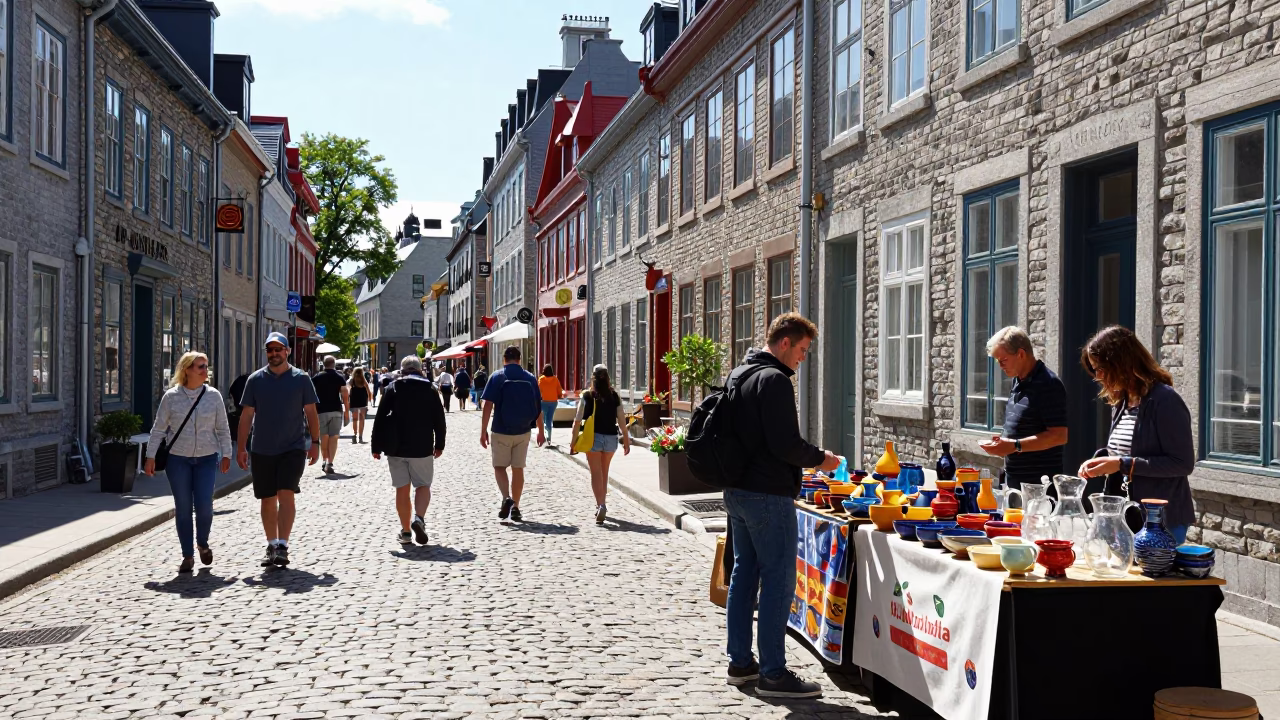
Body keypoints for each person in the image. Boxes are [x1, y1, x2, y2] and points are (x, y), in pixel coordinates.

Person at [723, 313, 842, 698]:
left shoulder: (740, 373)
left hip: (737, 491)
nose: (803, 358)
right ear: (785, 343)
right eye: (803, 350)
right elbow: (784, 444)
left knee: (744, 575)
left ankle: (740, 662)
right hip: (767, 495)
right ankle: (774, 673)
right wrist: (821, 458)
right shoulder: (774, 380)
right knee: (777, 582)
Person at [1077, 325, 1195, 543]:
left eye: (1101, 368)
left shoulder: (1165, 400)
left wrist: (1122, 464)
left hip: (1160, 521)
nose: (1098, 376)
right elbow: (1126, 452)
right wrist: (1103, 459)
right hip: (1127, 517)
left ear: (1123, 362)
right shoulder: (1122, 402)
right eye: (1094, 370)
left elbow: (1182, 463)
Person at [236, 332, 321, 568]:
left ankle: (283, 545)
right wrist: (241, 447)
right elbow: (246, 416)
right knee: (267, 499)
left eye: (278, 349)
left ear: (287, 351)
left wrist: (315, 443)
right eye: (270, 350)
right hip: (262, 448)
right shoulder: (255, 380)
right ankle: (271, 544)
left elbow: (311, 413)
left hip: (292, 448)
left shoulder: (301, 378)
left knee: (286, 493)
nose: (274, 354)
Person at [145, 352, 233, 573]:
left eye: (206, 366)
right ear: (187, 370)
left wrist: (227, 454)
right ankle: (188, 555)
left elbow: (223, 428)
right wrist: (150, 456)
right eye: (200, 367)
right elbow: (158, 429)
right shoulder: (171, 397)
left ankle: (202, 543)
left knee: (204, 506)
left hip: (206, 458)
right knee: (183, 509)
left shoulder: (213, 396)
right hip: (178, 460)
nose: (205, 370)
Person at [977, 326, 1069, 489]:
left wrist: (1015, 445)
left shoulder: (1049, 384)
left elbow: (1059, 436)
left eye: (1003, 360)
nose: (1000, 366)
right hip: (1014, 481)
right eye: (998, 361)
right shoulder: (1018, 380)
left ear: (1020, 354)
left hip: (1039, 487)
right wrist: (1003, 441)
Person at [372, 355, 447, 545]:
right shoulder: (429, 388)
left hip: (395, 447)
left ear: (402, 369)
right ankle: (419, 519)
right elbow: (439, 419)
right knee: (423, 485)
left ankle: (405, 532)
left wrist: (376, 446)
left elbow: (380, 418)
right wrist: (439, 444)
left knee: (402, 490)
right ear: (420, 369)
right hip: (421, 446)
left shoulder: (393, 387)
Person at [480, 345, 545, 522]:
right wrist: (541, 431)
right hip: (523, 430)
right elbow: (538, 408)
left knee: (499, 467)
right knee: (518, 469)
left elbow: (488, 405)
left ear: (504, 359)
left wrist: (483, 430)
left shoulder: (497, 376)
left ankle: (506, 497)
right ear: (519, 359)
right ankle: (516, 506)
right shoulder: (530, 378)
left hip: (501, 429)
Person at [569, 364, 629, 525]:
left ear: (593, 378)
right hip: (611, 438)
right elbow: (621, 419)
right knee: (604, 472)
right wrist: (627, 439)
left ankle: (601, 505)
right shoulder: (614, 396)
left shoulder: (587, 395)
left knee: (596, 473)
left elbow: (577, 420)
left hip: (592, 437)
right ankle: (603, 504)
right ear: (608, 377)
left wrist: (573, 442)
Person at [311, 355, 350, 474]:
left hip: (321, 410)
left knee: (324, 437)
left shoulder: (316, 377)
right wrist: (347, 412)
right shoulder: (339, 377)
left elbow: (311, 396)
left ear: (323, 364)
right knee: (334, 437)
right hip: (336, 410)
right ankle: (330, 462)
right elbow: (345, 395)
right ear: (334, 364)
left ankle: (324, 460)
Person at [538, 364, 564, 446]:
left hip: (544, 401)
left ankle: (545, 434)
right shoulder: (555, 379)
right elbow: (559, 389)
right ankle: (549, 436)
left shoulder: (541, 379)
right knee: (549, 419)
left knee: (544, 418)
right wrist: (559, 395)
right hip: (553, 401)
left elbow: (538, 390)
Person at [348, 365, 371, 444]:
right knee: (361, 419)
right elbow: (368, 390)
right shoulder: (363, 380)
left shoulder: (352, 380)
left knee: (354, 419)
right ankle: (360, 437)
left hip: (354, 401)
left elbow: (348, 389)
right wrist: (370, 400)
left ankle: (354, 435)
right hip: (362, 402)